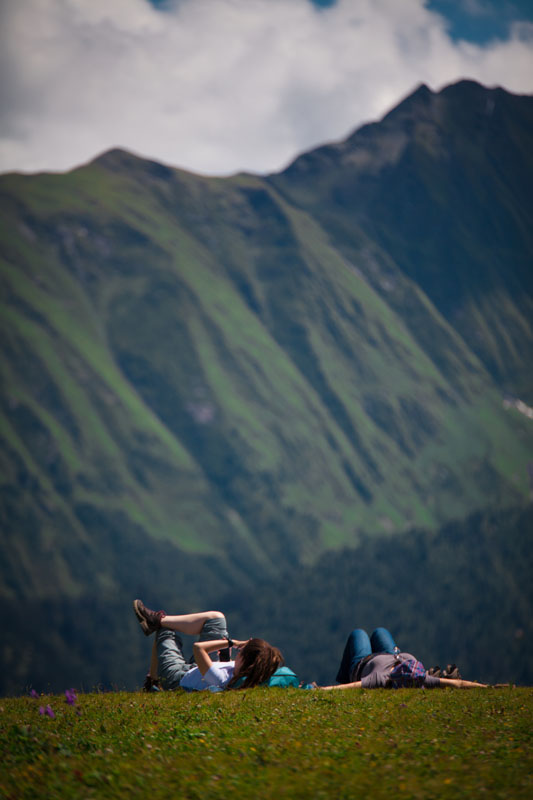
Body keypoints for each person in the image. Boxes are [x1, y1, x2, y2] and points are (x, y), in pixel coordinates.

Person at [133, 599, 284, 691]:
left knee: (165, 630)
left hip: (177, 677)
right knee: (216, 619)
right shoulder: (245, 673)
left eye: (241, 654)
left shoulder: (220, 679)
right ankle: (156, 620)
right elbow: (226, 666)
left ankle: (154, 682)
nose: (238, 654)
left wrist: (232, 643)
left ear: (246, 662)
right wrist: (226, 656)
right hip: (201, 669)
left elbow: (199, 649)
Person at [318, 627, 487, 690]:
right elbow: (456, 684)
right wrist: (487, 688)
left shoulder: (381, 679)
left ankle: (343, 674)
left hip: (363, 662)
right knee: (380, 632)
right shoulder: (419, 677)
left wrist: (321, 690)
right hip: (390, 653)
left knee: (359, 633)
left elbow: (351, 687)